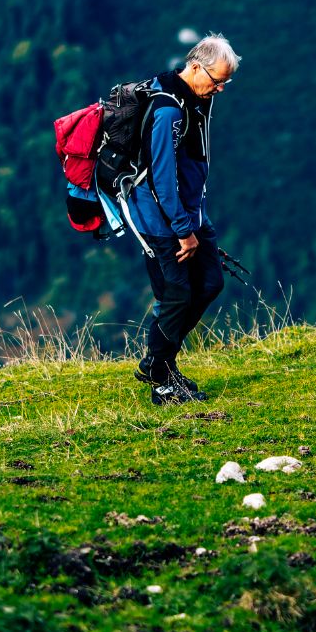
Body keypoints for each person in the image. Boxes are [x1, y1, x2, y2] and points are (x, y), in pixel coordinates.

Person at [122, 34, 239, 404]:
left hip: (191, 213)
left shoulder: (197, 98)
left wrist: (194, 223)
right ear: (194, 66)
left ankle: (161, 363)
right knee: (175, 294)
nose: (219, 89)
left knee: (210, 283)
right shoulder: (169, 110)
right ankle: (160, 378)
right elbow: (161, 177)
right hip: (160, 220)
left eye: (225, 82)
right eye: (216, 80)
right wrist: (183, 231)